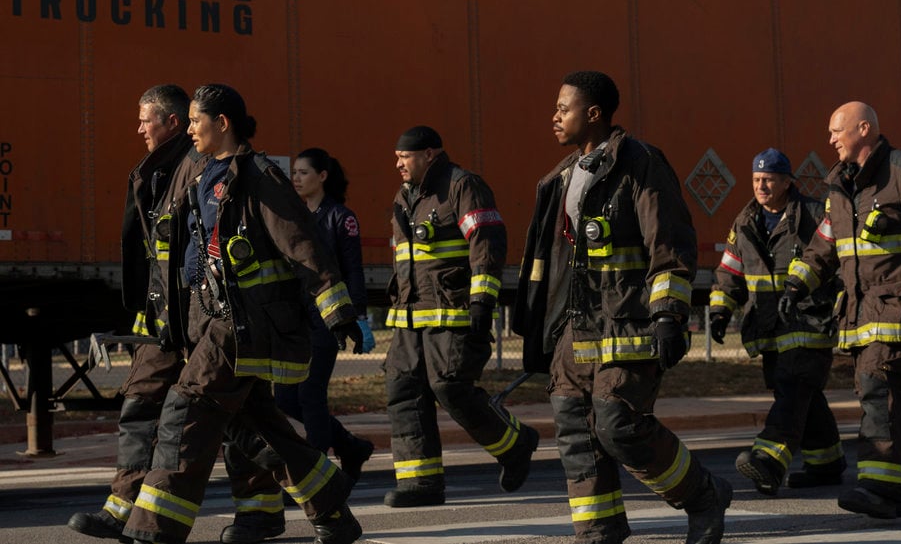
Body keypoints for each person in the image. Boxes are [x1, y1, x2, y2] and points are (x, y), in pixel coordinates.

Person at [120, 84, 364, 544]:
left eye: (195, 120)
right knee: (260, 429)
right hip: (205, 324)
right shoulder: (197, 176)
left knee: (185, 411)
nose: (189, 128)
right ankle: (332, 511)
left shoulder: (259, 177)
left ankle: (155, 529)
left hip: (242, 327)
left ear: (223, 123)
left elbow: (304, 247)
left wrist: (338, 312)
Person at [512, 71, 731, 544]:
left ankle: (704, 495)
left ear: (593, 114)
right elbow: (550, 265)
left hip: (627, 324)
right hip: (572, 332)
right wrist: (534, 325)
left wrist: (669, 316)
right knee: (577, 435)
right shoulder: (560, 179)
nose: (554, 116)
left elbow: (668, 246)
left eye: (563, 108)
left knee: (619, 426)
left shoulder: (641, 164)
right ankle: (599, 531)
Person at [68, 85, 287, 544]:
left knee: (232, 413)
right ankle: (123, 509)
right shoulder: (157, 170)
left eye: (146, 120)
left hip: (205, 318)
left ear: (171, 123)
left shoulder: (201, 163)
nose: (139, 128)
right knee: (142, 405)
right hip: (165, 318)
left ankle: (262, 512)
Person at [779, 101, 901, 519]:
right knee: (894, 399)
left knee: (876, 385)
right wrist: (796, 284)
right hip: (863, 312)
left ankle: (880, 488)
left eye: (837, 130)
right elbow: (823, 248)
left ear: (864, 129)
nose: (830, 139)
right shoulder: (842, 187)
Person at [382, 125, 539, 508]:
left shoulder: (462, 186)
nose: (398, 163)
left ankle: (515, 443)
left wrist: (482, 303)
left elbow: (487, 243)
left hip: (453, 314)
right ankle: (421, 484)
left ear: (430, 154)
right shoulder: (405, 197)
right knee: (403, 390)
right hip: (410, 318)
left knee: (449, 386)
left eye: (405, 156)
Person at [709, 148, 845, 497]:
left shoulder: (813, 215)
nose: (762, 185)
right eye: (756, 179)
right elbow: (730, 270)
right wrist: (720, 310)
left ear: (787, 182)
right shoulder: (745, 221)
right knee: (804, 395)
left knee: (793, 387)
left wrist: (841, 307)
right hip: (769, 328)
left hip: (810, 323)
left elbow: (839, 262)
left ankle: (768, 459)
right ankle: (826, 463)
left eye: (769, 179)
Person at [274, 148, 375, 481]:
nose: (297, 179)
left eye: (304, 173)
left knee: (310, 393)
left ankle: (313, 473)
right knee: (285, 397)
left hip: (327, 315)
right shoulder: (294, 217)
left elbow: (353, 270)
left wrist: (357, 316)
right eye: (295, 173)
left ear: (323, 177)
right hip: (296, 319)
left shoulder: (340, 217)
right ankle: (350, 446)